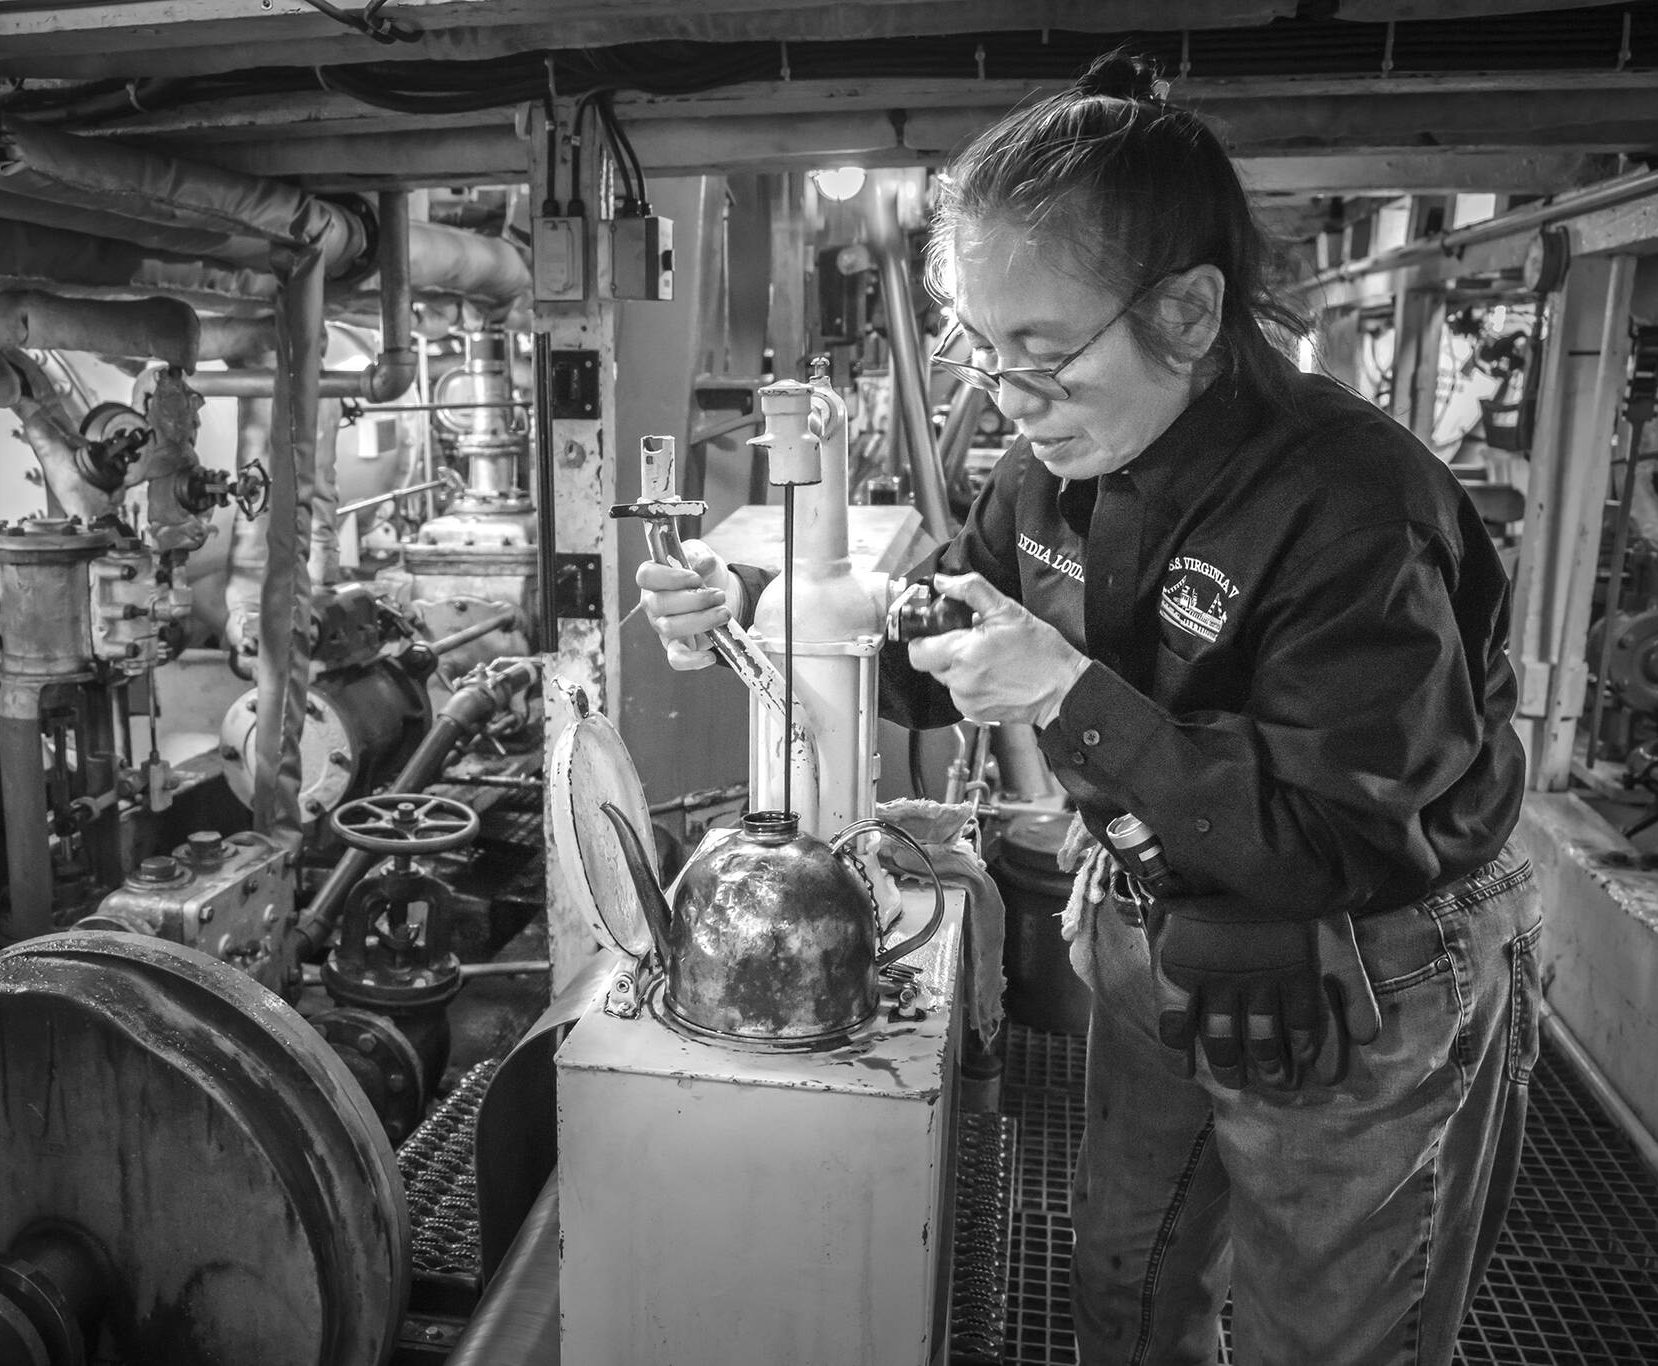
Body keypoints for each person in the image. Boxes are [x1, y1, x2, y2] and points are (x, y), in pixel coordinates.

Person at [636, 50, 1539, 1366]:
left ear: (1185, 312)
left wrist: (1066, 691)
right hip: (1156, 901)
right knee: (1126, 1269)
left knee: (1330, 1328)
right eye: (983, 350)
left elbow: (1332, 833)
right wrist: (756, 612)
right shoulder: (1044, 476)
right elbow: (927, 645)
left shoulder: (1355, 507)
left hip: (1365, 944)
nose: (1007, 395)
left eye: (1043, 353)